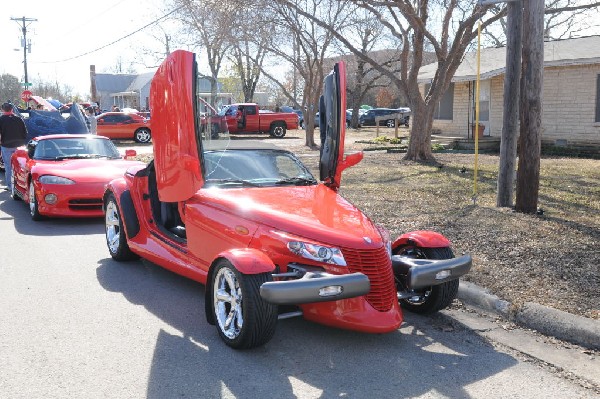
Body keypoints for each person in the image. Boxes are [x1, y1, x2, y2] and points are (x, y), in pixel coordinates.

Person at [0, 103, 28, 191]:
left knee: (8, 166)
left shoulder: (1, 119)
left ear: (3, 110)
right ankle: (20, 185)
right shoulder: (19, 119)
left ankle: (10, 185)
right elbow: (25, 133)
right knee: (20, 166)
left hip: (6, 145)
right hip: (19, 146)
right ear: (12, 109)